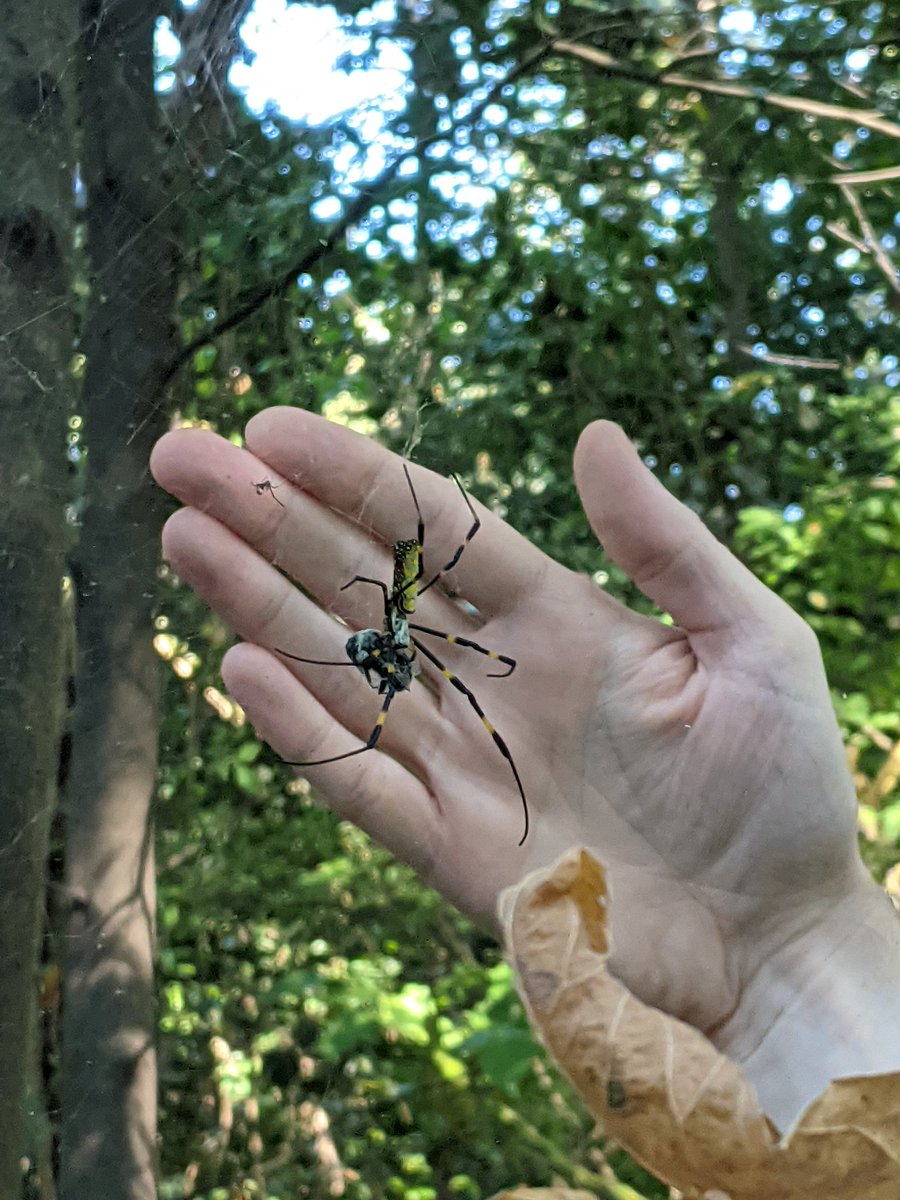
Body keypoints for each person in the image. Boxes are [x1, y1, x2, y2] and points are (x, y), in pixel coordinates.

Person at [150, 407, 900, 1132]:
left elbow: (431, 627)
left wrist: (802, 935)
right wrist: (805, 944)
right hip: (384, 641)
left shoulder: (405, 631)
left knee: (459, 680)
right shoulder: (392, 640)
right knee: (429, 677)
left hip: (392, 637)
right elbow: (391, 643)